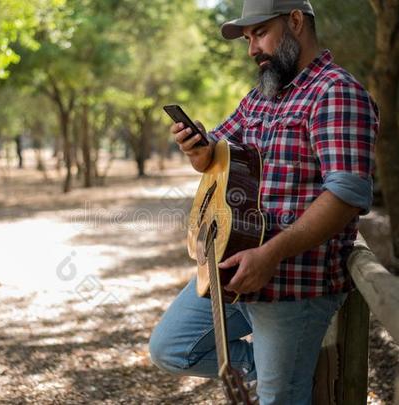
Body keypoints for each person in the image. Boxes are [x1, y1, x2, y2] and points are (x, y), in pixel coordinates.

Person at [149, 0, 378, 403]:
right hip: (233, 270)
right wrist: (198, 151)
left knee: (278, 399)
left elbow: (346, 195)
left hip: (294, 286)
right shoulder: (262, 94)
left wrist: (270, 254)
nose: (252, 47)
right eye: (248, 37)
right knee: (171, 348)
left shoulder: (337, 92)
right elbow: (218, 154)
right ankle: (285, 367)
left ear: (295, 22)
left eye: (260, 33)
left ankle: (285, 373)